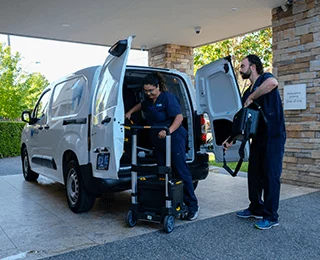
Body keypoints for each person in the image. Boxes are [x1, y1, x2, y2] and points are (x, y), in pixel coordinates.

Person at [125, 72, 199, 220]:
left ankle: (192, 206)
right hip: (159, 142)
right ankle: (165, 202)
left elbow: (178, 117)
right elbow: (141, 105)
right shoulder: (148, 100)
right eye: (146, 91)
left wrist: (168, 131)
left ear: (157, 87)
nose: (149, 93)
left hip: (174, 138)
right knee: (162, 172)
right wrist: (130, 112)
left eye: (151, 90)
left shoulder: (168, 98)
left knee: (180, 171)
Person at [223, 54, 286, 230]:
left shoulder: (265, 78)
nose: (240, 69)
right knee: (254, 174)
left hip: (274, 135)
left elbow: (273, 84)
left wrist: (253, 97)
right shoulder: (247, 92)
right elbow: (244, 121)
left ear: (252, 67)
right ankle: (256, 207)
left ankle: (271, 216)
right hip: (258, 137)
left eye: (242, 66)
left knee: (270, 176)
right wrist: (230, 139)